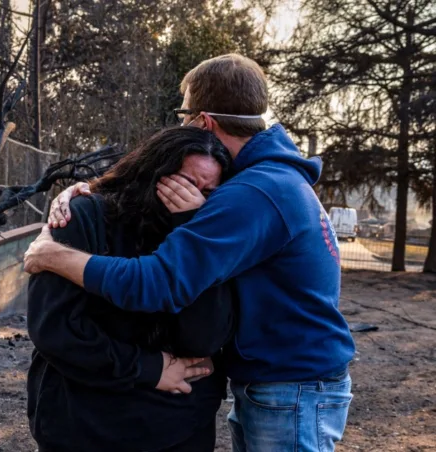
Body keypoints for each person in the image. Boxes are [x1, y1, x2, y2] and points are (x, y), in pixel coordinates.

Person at [23, 54, 355, 452]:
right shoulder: (267, 178)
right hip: (283, 382)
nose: (180, 128)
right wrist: (87, 192)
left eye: (183, 116)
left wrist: (52, 256)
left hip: (290, 387)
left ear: (203, 122)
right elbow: (146, 175)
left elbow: (159, 282)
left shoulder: (253, 192)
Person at [27, 127, 235, 452]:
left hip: (180, 426)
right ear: (154, 171)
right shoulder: (84, 215)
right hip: (85, 425)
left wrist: (193, 229)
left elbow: (204, 337)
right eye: (185, 183)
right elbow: (54, 328)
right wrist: (148, 368)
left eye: (208, 192)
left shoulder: (210, 233)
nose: (193, 197)